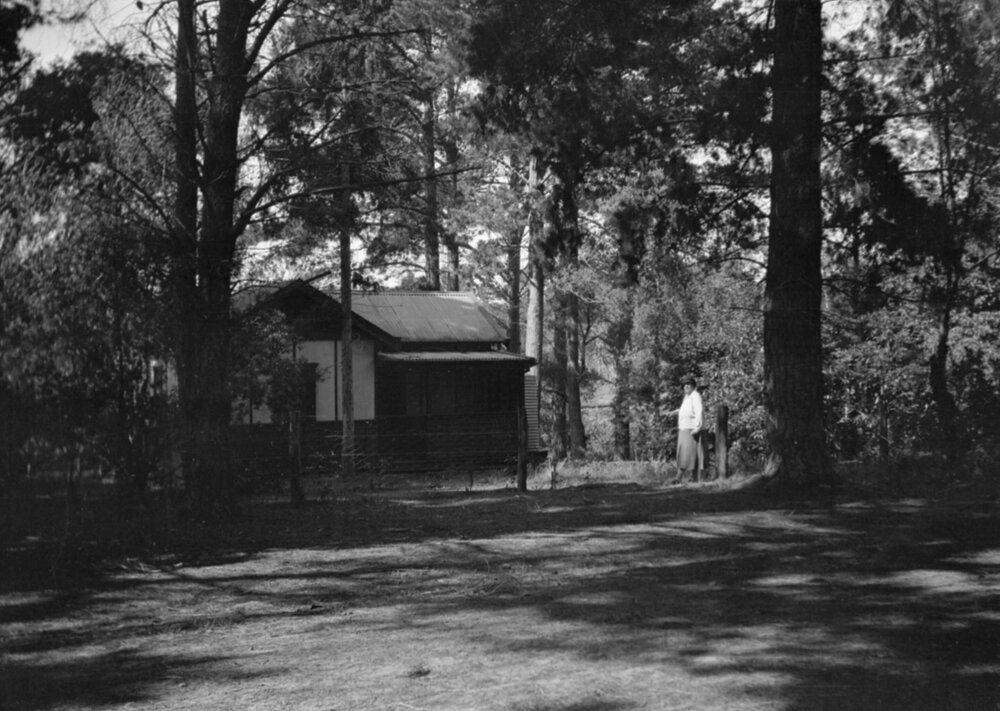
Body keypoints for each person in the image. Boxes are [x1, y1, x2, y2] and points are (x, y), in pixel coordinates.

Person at [667, 374, 704, 483]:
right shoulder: (687, 398)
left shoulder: (695, 396)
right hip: (684, 429)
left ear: (693, 386)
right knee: (688, 454)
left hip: (691, 429)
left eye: (689, 384)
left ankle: (678, 478)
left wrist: (698, 427)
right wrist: (674, 412)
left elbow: (699, 411)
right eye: (684, 385)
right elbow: (686, 410)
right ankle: (694, 479)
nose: (686, 386)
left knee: (687, 455)